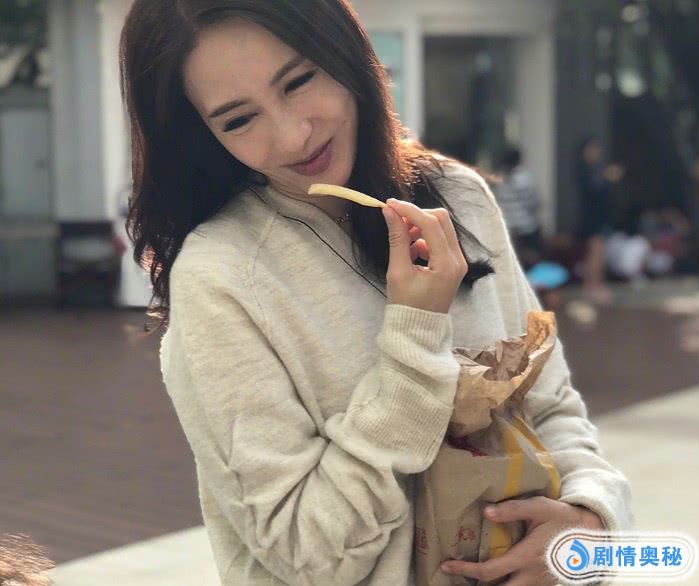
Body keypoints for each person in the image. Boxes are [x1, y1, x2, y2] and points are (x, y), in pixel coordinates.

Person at [120, 2, 633, 584]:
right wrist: (414, 338)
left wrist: (588, 521)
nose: (293, 135)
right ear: (202, 135)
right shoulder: (222, 275)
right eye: (239, 120)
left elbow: (551, 407)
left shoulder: (458, 199)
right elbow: (307, 555)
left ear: (344, 51)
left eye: (298, 81)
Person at [575, 137, 625, 305]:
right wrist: (607, 178)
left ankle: (592, 285)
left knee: (596, 252)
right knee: (596, 253)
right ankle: (593, 286)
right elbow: (594, 190)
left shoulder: (594, 169)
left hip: (598, 216)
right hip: (592, 217)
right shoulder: (585, 171)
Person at [493, 147, 543, 271]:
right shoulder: (523, 176)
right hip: (526, 225)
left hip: (507, 224)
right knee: (533, 256)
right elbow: (532, 201)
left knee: (511, 258)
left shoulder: (499, 175)